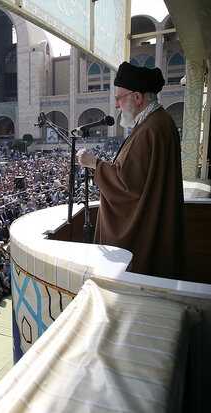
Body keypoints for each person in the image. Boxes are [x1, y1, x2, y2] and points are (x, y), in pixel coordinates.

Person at [76, 61, 185, 279]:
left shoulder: (152, 128)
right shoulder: (156, 122)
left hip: (144, 226)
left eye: (119, 98)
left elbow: (129, 187)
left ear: (137, 97)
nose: (116, 105)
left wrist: (94, 164)